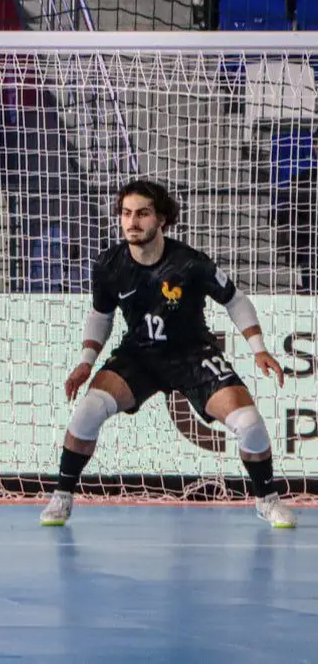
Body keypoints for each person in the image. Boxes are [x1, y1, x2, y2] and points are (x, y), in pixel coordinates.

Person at [40, 179, 297, 529]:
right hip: (139, 355)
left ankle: (267, 500)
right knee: (88, 411)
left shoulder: (189, 263)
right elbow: (101, 315)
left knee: (250, 424)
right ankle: (62, 496)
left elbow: (235, 300)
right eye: (126, 213)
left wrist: (259, 349)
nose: (132, 222)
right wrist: (86, 362)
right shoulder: (109, 264)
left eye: (142, 213)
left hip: (192, 355)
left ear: (161, 218)